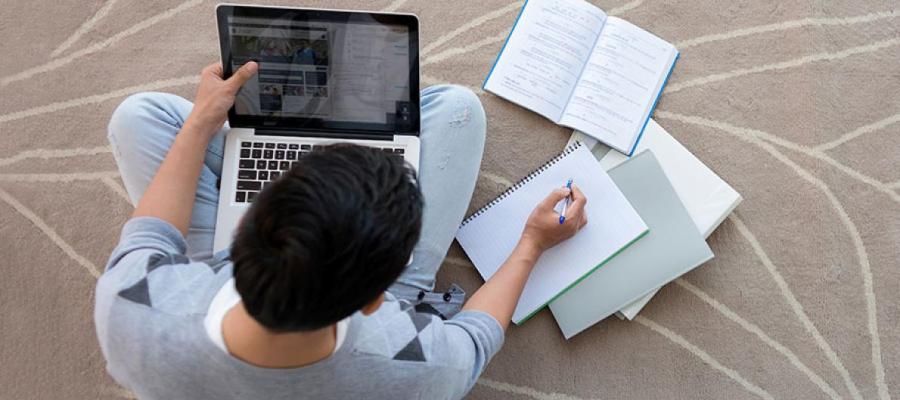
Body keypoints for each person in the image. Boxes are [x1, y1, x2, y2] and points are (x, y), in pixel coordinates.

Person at [94, 61, 587, 399]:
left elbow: (154, 231)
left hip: (214, 290)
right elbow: (476, 335)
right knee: (457, 109)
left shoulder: (130, 301)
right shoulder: (416, 363)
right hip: (352, 310)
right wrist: (532, 243)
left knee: (139, 116)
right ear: (377, 300)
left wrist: (203, 121)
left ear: (246, 222)